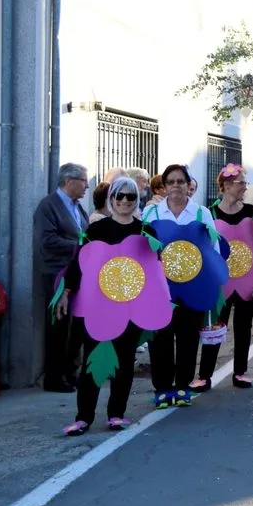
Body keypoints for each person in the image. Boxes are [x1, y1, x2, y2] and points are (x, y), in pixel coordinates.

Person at [57, 177, 160, 435]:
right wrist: (66, 291)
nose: (125, 201)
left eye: (131, 196)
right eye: (119, 195)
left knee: (124, 361)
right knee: (92, 361)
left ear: (138, 200)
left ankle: (116, 414)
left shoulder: (146, 231)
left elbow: (155, 269)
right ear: (111, 198)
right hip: (98, 307)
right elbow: (79, 263)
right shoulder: (96, 230)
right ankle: (84, 418)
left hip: (131, 308)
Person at [142, 164, 227, 408]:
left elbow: (214, 249)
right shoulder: (151, 213)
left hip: (193, 286)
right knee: (160, 337)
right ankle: (162, 388)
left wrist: (212, 284)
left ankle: (182, 386)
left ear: (189, 185)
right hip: (160, 288)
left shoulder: (201, 213)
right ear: (164, 186)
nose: (176, 186)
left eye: (181, 181)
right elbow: (142, 248)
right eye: (171, 182)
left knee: (188, 337)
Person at [193, 164, 253, 392]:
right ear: (226, 185)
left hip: (248, 277)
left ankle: (240, 372)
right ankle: (205, 375)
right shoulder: (210, 213)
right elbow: (204, 248)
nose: (245, 187)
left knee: (244, 326)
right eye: (241, 183)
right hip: (221, 280)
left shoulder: (250, 210)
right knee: (215, 327)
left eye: (245, 183)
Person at [33, 163, 90, 393]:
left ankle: (69, 371)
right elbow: (47, 241)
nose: (87, 186)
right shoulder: (48, 206)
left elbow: (83, 233)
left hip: (76, 272)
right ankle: (54, 377)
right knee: (58, 324)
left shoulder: (77, 207)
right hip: (56, 273)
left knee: (75, 325)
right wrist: (79, 245)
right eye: (83, 180)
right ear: (68, 181)